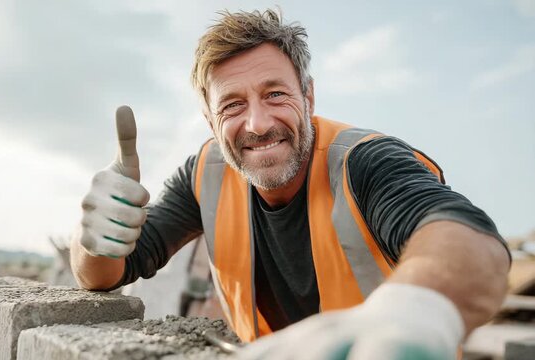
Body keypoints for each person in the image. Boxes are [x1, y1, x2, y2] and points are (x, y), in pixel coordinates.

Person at [70, 9, 510, 359]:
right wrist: (91, 241)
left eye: (275, 94)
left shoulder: (364, 162)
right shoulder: (204, 173)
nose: (257, 124)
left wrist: (414, 309)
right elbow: (112, 272)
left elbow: (466, 241)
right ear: (209, 120)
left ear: (309, 96)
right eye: (233, 105)